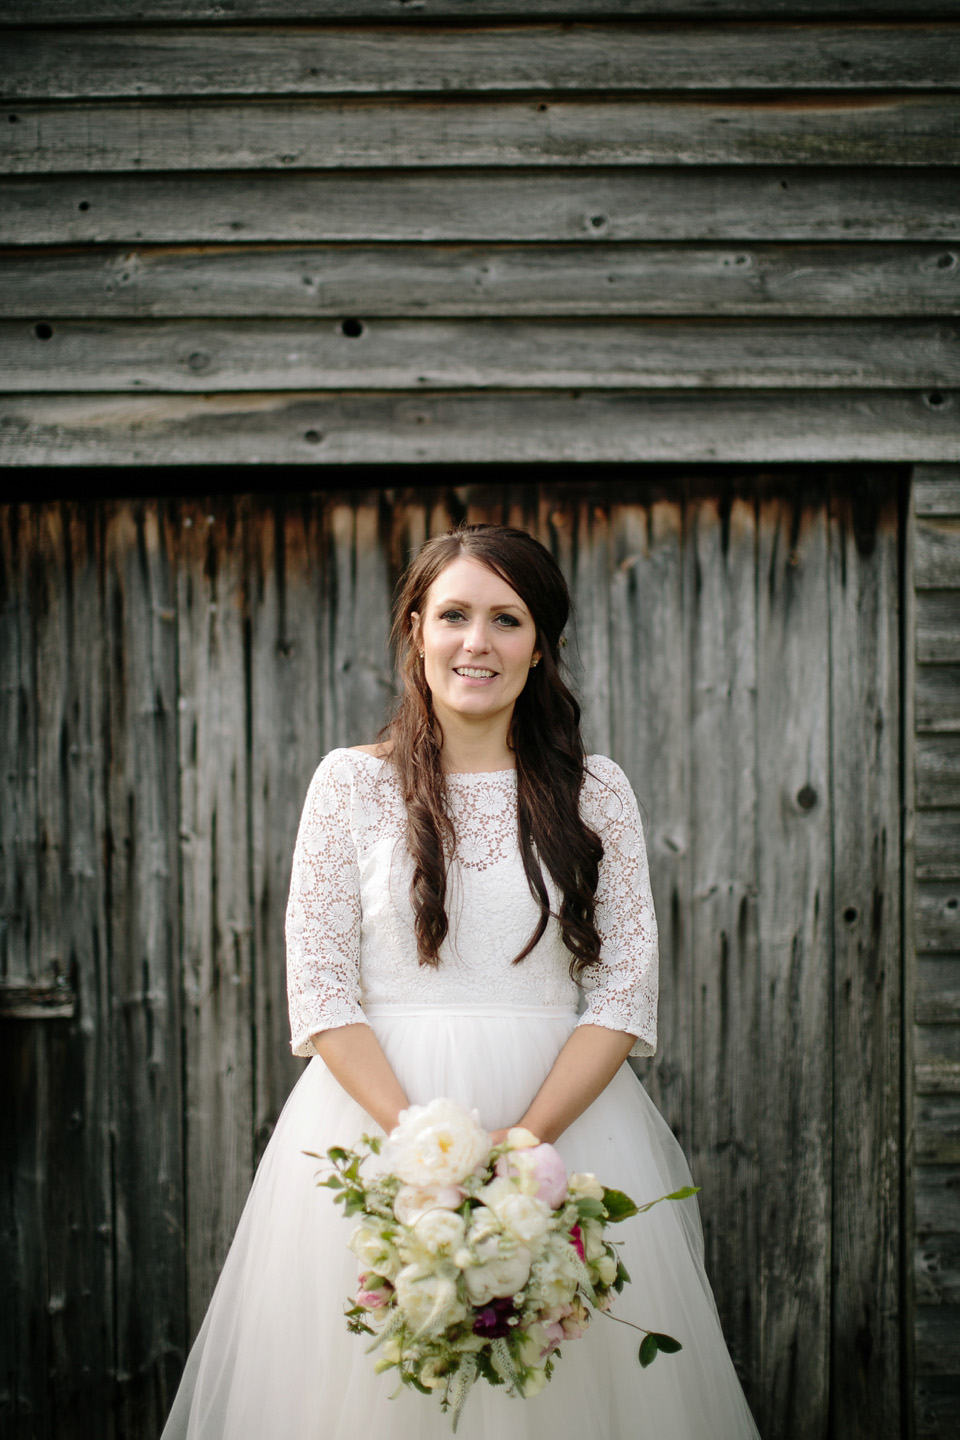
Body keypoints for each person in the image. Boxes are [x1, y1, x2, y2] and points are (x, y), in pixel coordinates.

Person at [162, 523, 759, 1439]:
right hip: (375, 1126)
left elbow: (623, 988)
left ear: (540, 643)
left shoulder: (596, 792)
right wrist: (427, 1161)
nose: (476, 642)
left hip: (564, 1129)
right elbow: (320, 987)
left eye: (506, 619)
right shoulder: (350, 786)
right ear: (415, 629)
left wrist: (520, 1152)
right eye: (453, 615)